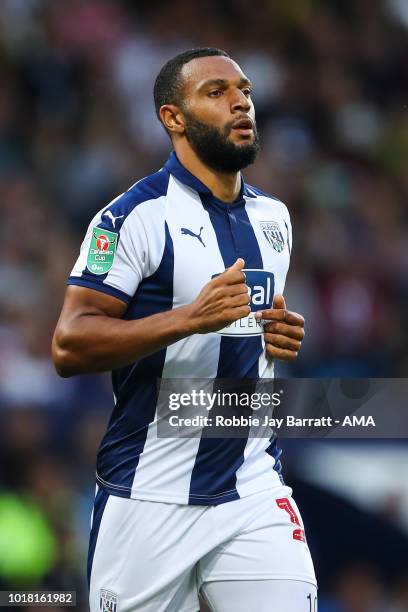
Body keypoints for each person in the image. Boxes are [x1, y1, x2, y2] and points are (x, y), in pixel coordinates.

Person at [52, 48, 317, 612]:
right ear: (174, 117)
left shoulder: (274, 218)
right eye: (216, 92)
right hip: (148, 496)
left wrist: (278, 336)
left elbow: (242, 328)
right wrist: (188, 319)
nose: (240, 102)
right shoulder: (131, 218)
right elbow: (69, 343)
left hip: (253, 489)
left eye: (243, 90)